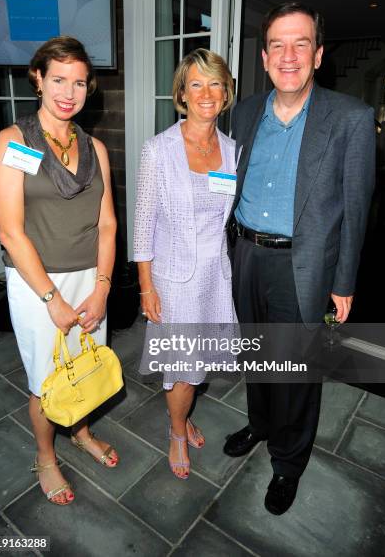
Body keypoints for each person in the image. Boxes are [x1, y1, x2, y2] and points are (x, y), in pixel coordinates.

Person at [223, 2, 375, 514]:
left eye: (301, 43)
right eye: (278, 45)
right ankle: (261, 424)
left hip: (302, 267)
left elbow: (357, 210)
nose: (289, 56)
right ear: (264, 57)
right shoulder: (243, 113)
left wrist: (345, 282)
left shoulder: (350, 119)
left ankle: (288, 462)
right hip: (245, 256)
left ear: (318, 54)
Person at [0, 36, 118, 505]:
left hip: (90, 279)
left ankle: (81, 431)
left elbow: (107, 224)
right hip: (37, 282)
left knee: (82, 368)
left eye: (79, 82)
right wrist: (52, 298)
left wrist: (102, 289)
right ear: (38, 79)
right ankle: (46, 456)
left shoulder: (96, 148)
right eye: (59, 79)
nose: (69, 91)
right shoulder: (15, 141)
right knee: (46, 380)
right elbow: (10, 233)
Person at [133, 49, 236, 479]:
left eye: (215, 83)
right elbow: (142, 225)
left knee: (196, 365)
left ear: (226, 92)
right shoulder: (158, 150)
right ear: (182, 93)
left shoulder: (231, 149)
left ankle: (183, 417)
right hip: (173, 280)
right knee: (183, 370)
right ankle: (177, 430)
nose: (206, 93)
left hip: (215, 275)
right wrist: (146, 288)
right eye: (196, 84)